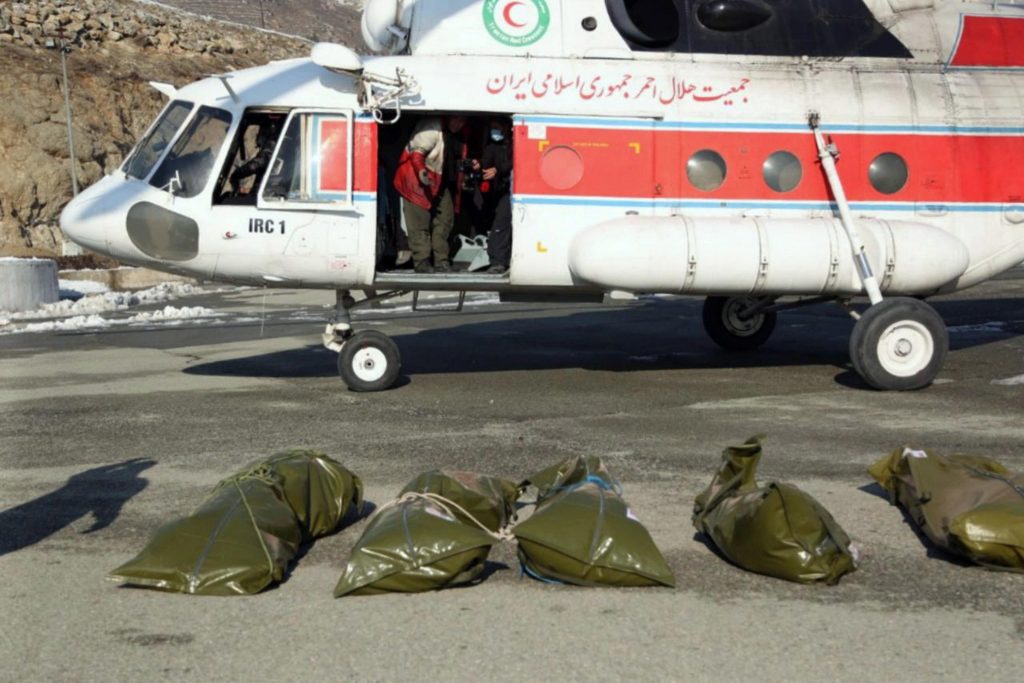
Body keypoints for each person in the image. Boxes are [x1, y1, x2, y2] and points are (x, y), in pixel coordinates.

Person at [393, 115, 467, 273]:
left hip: (439, 181)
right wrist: (421, 171)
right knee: (419, 223)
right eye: (457, 119)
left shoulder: (458, 136)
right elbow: (417, 154)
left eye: (462, 120)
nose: (458, 123)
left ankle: (441, 261)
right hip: (414, 180)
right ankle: (422, 261)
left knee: (446, 219)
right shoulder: (431, 128)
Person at [474, 118, 513, 274]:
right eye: (492, 128)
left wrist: (498, 169)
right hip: (499, 191)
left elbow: (515, 162)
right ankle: (498, 261)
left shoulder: (515, 145)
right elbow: (486, 161)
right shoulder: (492, 146)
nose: (494, 132)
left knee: (501, 225)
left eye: (497, 128)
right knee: (499, 225)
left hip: (513, 190)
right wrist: (479, 165)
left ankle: (499, 261)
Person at [230, 119, 281, 194]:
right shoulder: (284, 149)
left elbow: (253, 166)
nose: (257, 136)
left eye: (261, 132)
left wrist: (234, 177)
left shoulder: (269, 150)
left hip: (262, 194)